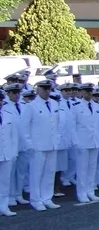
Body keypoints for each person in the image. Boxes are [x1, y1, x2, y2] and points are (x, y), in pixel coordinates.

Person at [22, 79, 62, 211]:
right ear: (38, 90)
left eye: (48, 88)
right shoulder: (31, 106)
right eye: (43, 88)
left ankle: (47, 198)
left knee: (49, 173)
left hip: (52, 144)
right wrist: (30, 145)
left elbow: (57, 125)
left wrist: (57, 139)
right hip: (37, 146)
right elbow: (25, 128)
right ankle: (36, 200)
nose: (46, 91)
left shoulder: (55, 104)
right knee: (36, 174)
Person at [72, 83, 99, 204]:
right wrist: (76, 142)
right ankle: (82, 193)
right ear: (81, 92)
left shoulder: (96, 106)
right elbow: (72, 127)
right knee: (82, 169)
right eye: (86, 91)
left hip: (94, 141)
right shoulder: (76, 106)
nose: (89, 93)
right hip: (82, 142)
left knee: (92, 168)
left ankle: (90, 191)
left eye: (90, 91)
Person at [0, 89, 17, 217]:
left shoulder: (8, 114)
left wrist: (13, 152)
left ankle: (4, 206)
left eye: (1, 100)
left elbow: (13, 136)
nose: (0, 102)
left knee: (5, 182)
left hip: (7, 153)